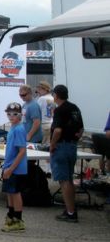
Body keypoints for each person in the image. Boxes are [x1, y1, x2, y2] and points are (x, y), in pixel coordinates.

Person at [50, 85, 84, 223]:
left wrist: (52, 145)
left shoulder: (59, 110)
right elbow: (81, 129)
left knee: (64, 180)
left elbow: (57, 131)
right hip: (72, 146)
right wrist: (75, 139)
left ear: (56, 95)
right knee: (69, 179)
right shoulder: (75, 108)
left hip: (61, 146)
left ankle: (70, 212)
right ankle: (71, 208)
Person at [1, 102, 28, 232]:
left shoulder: (19, 129)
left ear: (20, 115)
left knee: (16, 192)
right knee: (10, 192)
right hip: (9, 165)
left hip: (16, 168)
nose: (11, 116)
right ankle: (11, 215)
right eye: (9, 114)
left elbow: (22, 151)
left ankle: (18, 218)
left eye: (15, 114)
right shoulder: (12, 127)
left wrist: (11, 168)